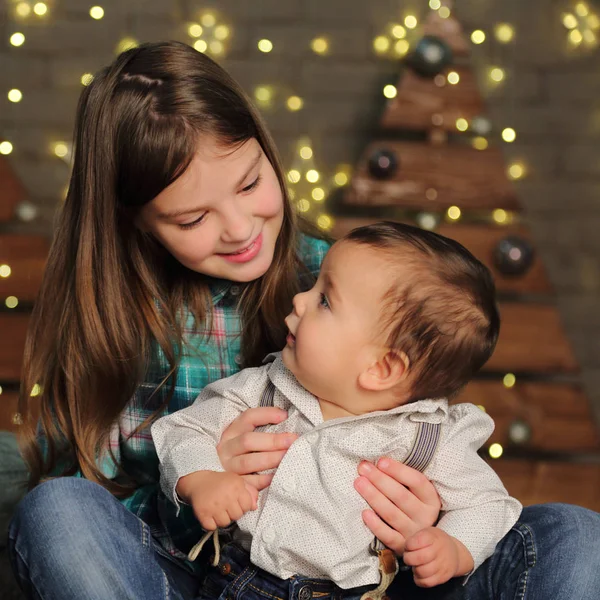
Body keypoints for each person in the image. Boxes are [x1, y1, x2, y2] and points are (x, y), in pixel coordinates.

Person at [6, 40, 600, 600]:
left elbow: (429, 425)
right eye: (192, 220)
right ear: (134, 219)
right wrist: (200, 484)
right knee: (57, 511)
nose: (239, 229)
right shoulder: (123, 324)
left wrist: (433, 525)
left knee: (574, 535)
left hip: (373, 576)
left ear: (266, 151)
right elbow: (99, 501)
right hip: (215, 573)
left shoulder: (338, 275)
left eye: (250, 183)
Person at [151, 221, 522, 599]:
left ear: (381, 369)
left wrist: (454, 546)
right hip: (238, 580)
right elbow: (184, 430)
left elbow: (488, 504)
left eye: (324, 300)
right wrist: (201, 478)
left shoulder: (427, 436)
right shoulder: (265, 388)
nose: (299, 299)